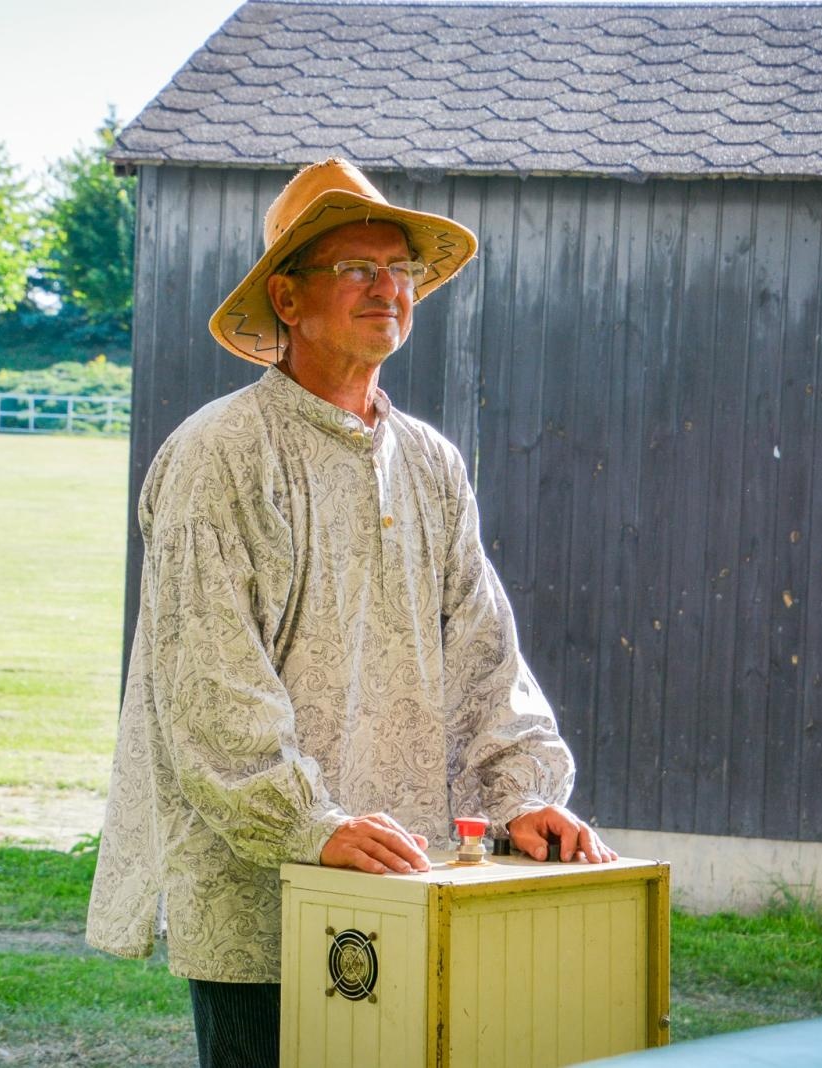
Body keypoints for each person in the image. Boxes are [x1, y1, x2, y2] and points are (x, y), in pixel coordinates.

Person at [86, 157, 617, 1067]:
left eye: (401, 271)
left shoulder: (431, 463)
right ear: (286, 301)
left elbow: (485, 651)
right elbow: (208, 687)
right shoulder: (217, 455)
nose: (388, 289)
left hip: (413, 892)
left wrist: (521, 795)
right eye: (357, 269)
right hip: (263, 896)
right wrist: (310, 824)